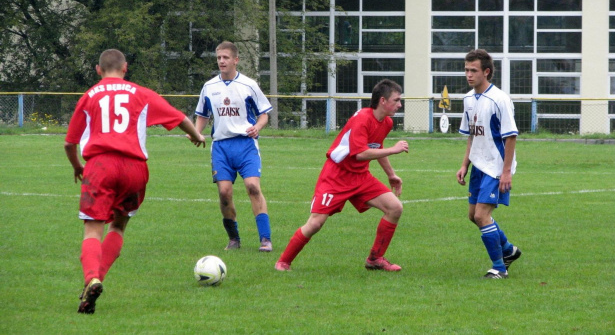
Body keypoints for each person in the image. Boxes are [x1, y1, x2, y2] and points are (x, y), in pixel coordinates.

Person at [65, 49, 206, 314]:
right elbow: (178, 117)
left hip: (101, 165)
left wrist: (77, 166)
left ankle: (91, 278)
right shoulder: (140, 93)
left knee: (93, 229)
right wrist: (197, 136)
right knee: (117, 227)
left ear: (98, 70)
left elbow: (69, 143)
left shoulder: (89, 97)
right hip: (135, 169)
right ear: (125, 68)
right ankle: (95, 283)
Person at [275, 79, 409, 272]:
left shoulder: (386, 122)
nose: (400, 104)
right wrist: (393, 150)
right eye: (396, 100)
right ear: (382, 101)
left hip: (360, 177)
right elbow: (360, 153)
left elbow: (375, 146)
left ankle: (375, 258)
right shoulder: (362, 118)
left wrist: (391, 174)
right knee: (316, 223)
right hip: (336, 176)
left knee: (395, 208)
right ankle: (283, 262)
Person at [193, 41, 273, 252]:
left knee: (253, 188)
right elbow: (202, 115)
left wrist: (257, 126)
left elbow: (264, 114)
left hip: (245, 145)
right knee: (225, 193)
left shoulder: (249, 85)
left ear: (235, 60)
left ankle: (265, 239)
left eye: (226, 57)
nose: (221, 61)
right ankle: (234, 239)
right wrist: (196, 132)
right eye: (219, 57)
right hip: (221, 147)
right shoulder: (209, 87)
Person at [456, 49, 522, 279]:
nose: (468, 75)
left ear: (486, 72)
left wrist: (506, 172)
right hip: (478, 166)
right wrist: (465, 164)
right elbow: (472, 135)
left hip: (496, 167)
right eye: (466, 70)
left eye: (473, 70)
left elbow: (510, 136)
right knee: (472, 215)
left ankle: (499, 268)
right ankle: (508, 250)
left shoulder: (500, 99)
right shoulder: (467, 99)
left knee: (482, 216)